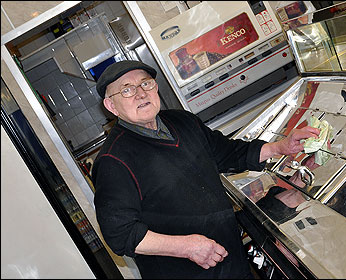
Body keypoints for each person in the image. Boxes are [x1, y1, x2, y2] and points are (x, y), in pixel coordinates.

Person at [92, 60, 320, 279]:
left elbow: (229, 153)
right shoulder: (113, 160)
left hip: (231, 262)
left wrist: (281, 147)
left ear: (155, 87)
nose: (141, 93)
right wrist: (187, 247)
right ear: (112, 106)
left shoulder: (181, 121)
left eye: (145, 83)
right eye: (127, 90)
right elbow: (120, 234)